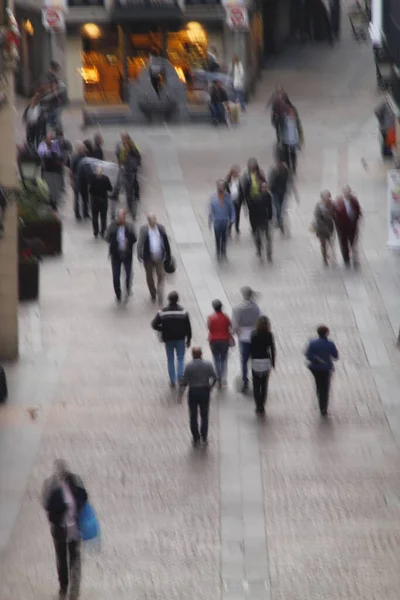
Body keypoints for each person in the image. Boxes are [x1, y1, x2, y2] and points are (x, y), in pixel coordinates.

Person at [42, 459, 87, 600]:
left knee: (70, 557)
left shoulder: (69, 482)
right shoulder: (54, 484)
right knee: (66, 558)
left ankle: (70, 588)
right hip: (64, 528)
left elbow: (84, 497)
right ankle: (67, 587)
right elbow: (47, 503)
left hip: (68, 528)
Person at [151, 291, 192, 388]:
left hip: (168, 339)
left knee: (170, 359)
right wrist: (189, 339)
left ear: (168, 299)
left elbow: (154, 324)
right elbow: (188, 327)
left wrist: (163, 329)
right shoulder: (183, 312)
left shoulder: (162, 312)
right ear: (177, 299)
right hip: (180, 339)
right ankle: (180, 377)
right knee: (181, 358)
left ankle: (172, 380)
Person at [180, 347, 217, 446]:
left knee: (193, 415)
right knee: (204, 415)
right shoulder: (208, 365)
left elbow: (184, 382)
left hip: (193, 391)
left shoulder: (189, 366)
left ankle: (195, 436)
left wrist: (180, 394)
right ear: (201, 354)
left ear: (192, 355)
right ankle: (204, 436)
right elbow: (215, 377)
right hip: (204, 390)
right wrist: (210, 387)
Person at [232, 286, 262, 392]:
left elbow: (235, 324)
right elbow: (261, 321)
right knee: (254, 359)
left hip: (243, 337)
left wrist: (234, 334)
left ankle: (245, 380)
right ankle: (256, 379)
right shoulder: (256, 308)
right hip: (255, 336)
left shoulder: (237, 308)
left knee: (244, 360)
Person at [137, 213, 171, 303]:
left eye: (154, 219)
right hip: (148, 257)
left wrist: (168, 254)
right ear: (148, 221)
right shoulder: (144, 230)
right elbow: (140, 243)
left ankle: (160, 290)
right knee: (149, 276)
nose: (154, 222)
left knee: (161, 274)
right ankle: (153, 292)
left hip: (159, 256)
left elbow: (165, 241)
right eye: (151, 220)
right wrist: (139, 254)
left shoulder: (161, 228)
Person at [305, 325, 339, 416]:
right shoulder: (330, 344)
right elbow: (335, 356)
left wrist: (316, 358)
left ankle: (320, 397)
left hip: (315, 368)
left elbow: (307, 354)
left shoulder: (312, 343)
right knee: (325, 387)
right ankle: (324, 407)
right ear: (326, 333)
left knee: (318, 384)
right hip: (326, 368)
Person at [106, 208, 137, 302]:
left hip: (127, 254)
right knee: (116, 275)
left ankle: (128, 288)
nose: (120, 219)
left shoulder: (129, 226)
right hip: (116, 255)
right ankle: (118, 293)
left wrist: (129, 238)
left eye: (122, 217)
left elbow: (134, 238)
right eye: (119, 217)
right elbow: (107, 237)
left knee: (128, 274)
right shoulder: (112, 226)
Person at [250, 316, 276, 414]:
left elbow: (251, 348)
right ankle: (262, 405)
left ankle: (257, 405)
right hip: (265, 360)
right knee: (264, 384)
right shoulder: (269, 335)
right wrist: (273, 362)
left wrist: (250, 359)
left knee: (256, 384)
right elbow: (272, 349)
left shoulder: (253, 334)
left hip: (256, 360)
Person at [113, 132, 141, 218]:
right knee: (121, 184)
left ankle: (132, 210)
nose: (123, 140)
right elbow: (118, 154)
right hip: (124, 169)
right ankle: (116, 194)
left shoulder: (132, 146)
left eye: (125, 138)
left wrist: (135, 165)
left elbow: (138, 156)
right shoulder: (120, 145)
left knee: (130, 190)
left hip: (131, 171)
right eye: (122, 138)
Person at [334, 185, 362, 267]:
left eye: (348, 192)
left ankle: (354, 255)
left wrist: (356, 219)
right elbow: (335, 213)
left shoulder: (354, 200)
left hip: (352, 226)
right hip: (342, 227)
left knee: (353, 242)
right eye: (345, 192)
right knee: (343, 243)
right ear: (343, 193)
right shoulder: (339, 201)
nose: (347, 194)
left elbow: (358, 210)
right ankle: (346, 258)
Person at [207, 299, 232, 388]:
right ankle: (223, 378)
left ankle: (218, 377)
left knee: (216, 359)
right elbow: (230, 326)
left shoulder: (210, 317)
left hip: (214, 341)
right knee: (224, 359)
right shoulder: (226, 317)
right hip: (225, 340)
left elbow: (209, 328)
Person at [208, 180, 235, 261]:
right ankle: (218, 251)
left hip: (225, 220)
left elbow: (232, 208)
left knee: (224, 237)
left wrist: (232, 219)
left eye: (222, 186)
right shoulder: (213, 197)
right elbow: (211, 210)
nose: (221, 187)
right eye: (219, 186)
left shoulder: (227, 197)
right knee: (217, 237)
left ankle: (223, 251)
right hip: (217, 221)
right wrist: (210, 221)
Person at [248, 181, 273, 261]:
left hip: (266, 220)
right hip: (258, 221)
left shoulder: (269, 196)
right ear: (260, 188)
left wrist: (270, 217)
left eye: (266, 187)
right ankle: (259, 249)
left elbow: (270, 208)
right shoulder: (256, 198)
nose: (265, 189)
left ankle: (269, 253)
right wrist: (253, 224)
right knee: (258, 237)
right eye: (263, 187)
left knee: (268, 237)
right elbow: (252, 212)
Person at [38, 132, 63, 210]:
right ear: (46, 139)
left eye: (50, 139)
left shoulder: (54, 145)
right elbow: (41, 153)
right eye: (48, 139)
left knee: (54, 188)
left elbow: (58, 155)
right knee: (47, 186)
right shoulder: (42, 145)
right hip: (47, 170)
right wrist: (48, 152)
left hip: (54, 171)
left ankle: (54, 203)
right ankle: (48, 201)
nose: (49, 141)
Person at [40, 61, 68, 130]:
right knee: (55, 116)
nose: (59, 70)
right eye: (58, 68)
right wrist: (57, 97)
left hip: (56, 100)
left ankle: (55, 127)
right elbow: (54, 89)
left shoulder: (51, 75)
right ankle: (57, 129)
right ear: (55, 68)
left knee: (54, 115)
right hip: (56, 101)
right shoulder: (51, 76)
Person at [311, 190, 336, 265]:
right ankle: (324, 258)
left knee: (330, 242)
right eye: (324, 197)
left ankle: (327, 253)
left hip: (330, 227)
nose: (326, 198)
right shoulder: (319, 205)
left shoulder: (332, 204)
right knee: (323, 244)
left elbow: (335, 213)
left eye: (327, 196)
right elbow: (317, 216)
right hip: (321, 229)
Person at [89, 167, 112, 238]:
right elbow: (110, 188)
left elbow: (90, 190)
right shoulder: (106, 178)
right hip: (103, 200)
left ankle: (96, 231)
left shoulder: (93, 179)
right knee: (103, 217)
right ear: (102, 172)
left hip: (95, 201)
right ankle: (103, 231)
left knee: (95, 217)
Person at [281, 106, 304, 175]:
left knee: (293, 156)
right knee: (287, 156)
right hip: (287, 140)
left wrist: (300, 140)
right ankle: (288, 168)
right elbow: (282, 128)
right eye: (290, 113)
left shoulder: (296, 121)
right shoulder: (285, 120)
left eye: (292, 113)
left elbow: (299, 130)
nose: (291, 114)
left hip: (294, 141)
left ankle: (293, 169)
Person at [268, 159, 289, 234]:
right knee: (277, 207)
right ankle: (279, 220)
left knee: (280, 206)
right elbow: (271, 181)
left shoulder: (286, 171)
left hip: (282, 192)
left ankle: (279, 219)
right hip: (275, 192)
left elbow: (287, 181)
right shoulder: (274, 172)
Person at [70, 142, 89, 220]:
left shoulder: (85, 156)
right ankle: (77, 213)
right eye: (83, 148)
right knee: (77, 197)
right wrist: (71, 181)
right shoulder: (75, 157)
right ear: (79, 149)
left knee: (85, 197)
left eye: (84, 148)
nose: (85, 149)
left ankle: (85, 212)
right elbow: (71, 170)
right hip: (77, 178)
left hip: (84, 179)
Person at [225, 165, 243, 234]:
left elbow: (241, 190)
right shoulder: (228, 180)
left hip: (237, 200)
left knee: (237, 215)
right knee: (231, 215)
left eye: (237, 172)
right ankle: (229, 227)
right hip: (230, 200)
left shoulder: (239, 180)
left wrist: (242, 199)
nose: (237, 174)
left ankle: (237, 227)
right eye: (235, 173)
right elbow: (225, 189)